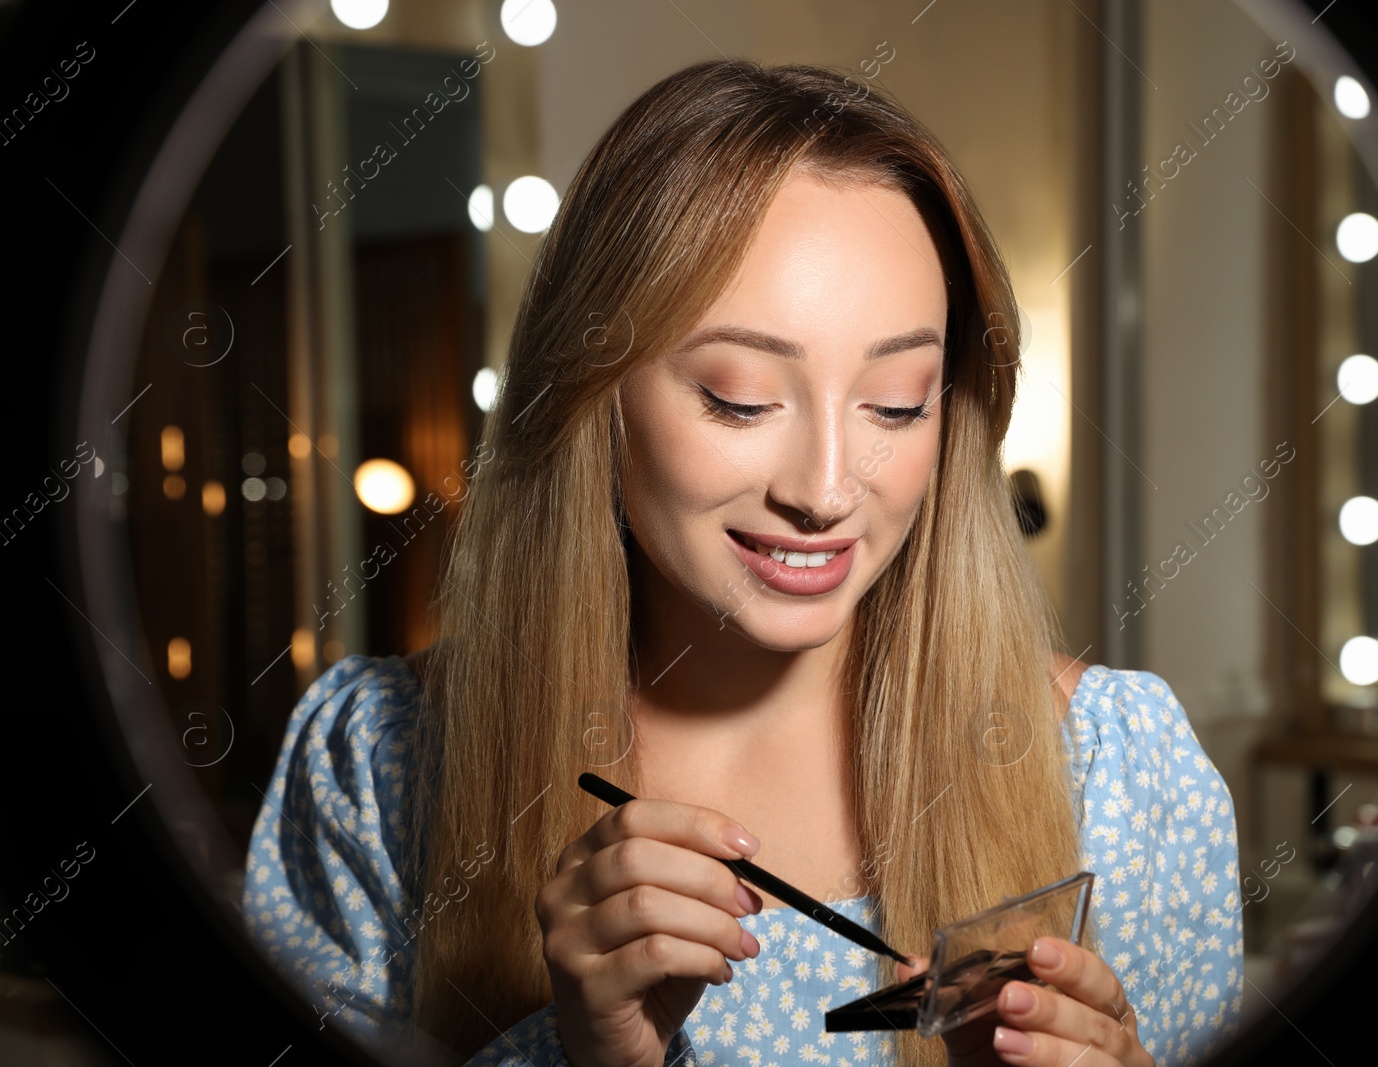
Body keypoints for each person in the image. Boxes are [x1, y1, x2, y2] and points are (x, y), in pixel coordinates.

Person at [243, 58, 1242, 1067]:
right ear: (593, 393)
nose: (824, 488)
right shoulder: (376, 761)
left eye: (896, 401)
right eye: (738, 395)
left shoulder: (1124, 774)